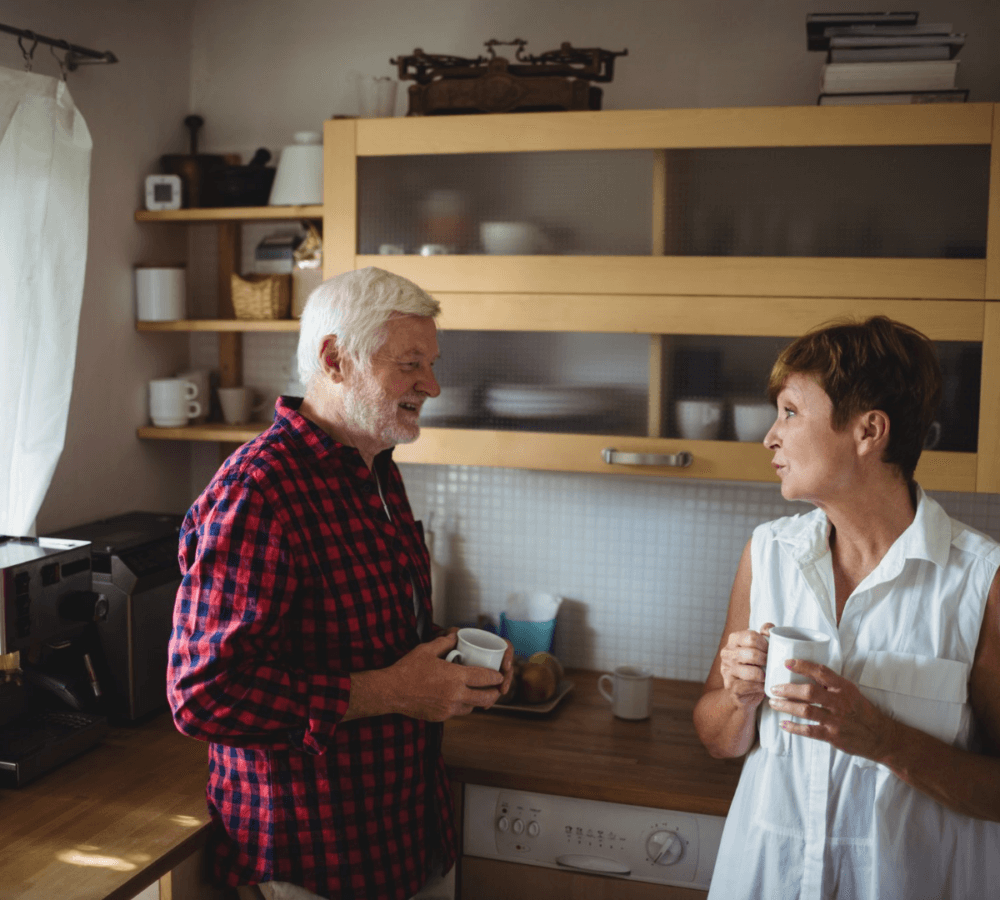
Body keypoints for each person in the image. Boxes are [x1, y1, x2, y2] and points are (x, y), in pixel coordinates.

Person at [167, 266, 514, 900]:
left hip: (406, 840)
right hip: (312, 864)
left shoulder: (375, 469)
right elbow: (203, 696)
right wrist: (393, 691)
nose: (431, 387)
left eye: (431, 365)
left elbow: (364, 633)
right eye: (411, 365)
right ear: (335, 358)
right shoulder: (258, 493)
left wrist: (450, 656)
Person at [693, 316, 1000, 899]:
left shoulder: (981, 583)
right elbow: (715, 737)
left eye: (789, 412)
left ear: (869, 431)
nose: (770, 437)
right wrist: (737, 696)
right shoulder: (768, 555)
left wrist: (884, 739)